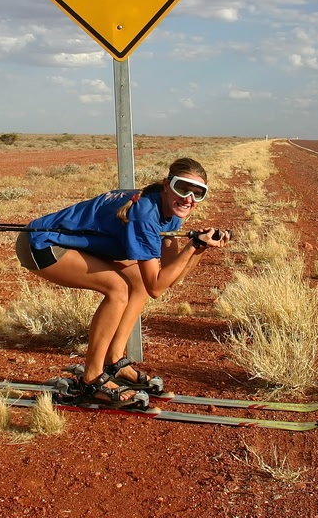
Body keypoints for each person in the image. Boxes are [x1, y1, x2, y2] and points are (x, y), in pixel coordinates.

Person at [13, 157, 231, 405]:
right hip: (41, 244)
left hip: (69, 245)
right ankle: (91, 379)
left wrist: (199, 248)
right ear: (166, 185)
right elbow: (158, 288)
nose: (188, 198)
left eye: (197, 193)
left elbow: (172, 277)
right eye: (183, 188)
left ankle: (114, 362)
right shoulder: (145, 214)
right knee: (118, 289)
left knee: (137, 282)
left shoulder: (170, 213)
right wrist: (193, 245)